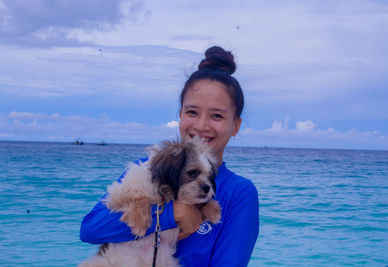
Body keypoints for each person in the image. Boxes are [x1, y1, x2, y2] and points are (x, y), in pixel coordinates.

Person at [80, 46, 259, 266]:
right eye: (192, 112)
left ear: (236, 125)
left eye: (217, 116)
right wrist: (170, 214)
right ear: (180, 114)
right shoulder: (147, 168)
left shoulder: (239, 192)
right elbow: (90, 229)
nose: (201, 125)